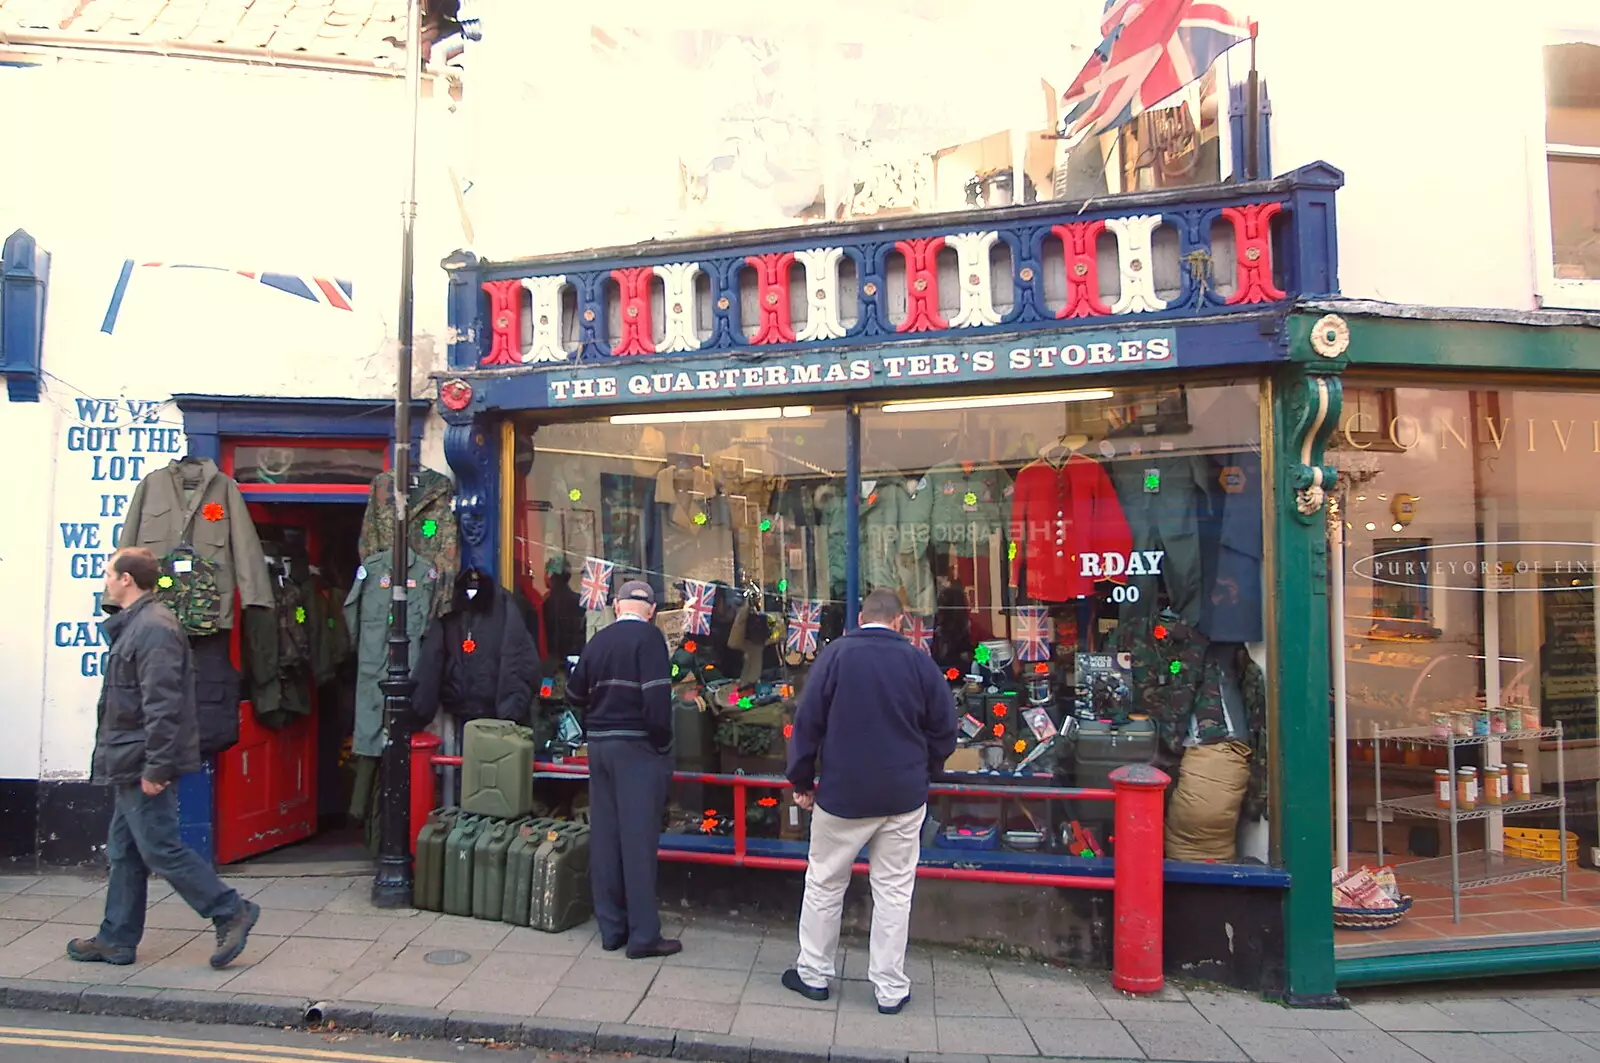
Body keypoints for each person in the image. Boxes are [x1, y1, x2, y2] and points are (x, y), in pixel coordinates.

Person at [68, 547, 261, 969]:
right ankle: (116, 939)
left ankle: (230, 909)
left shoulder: (153, 628)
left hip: (142, 760)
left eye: (109, 573)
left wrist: (157, 767)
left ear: (126, 580)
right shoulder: (139, 624)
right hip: (129, 757)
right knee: (125, 850)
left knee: (159, 848)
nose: (105, 580)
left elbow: (163, 704)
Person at [782, 588, 957, 1014]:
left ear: (862, 617)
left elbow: (807, 723)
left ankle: (814, 975)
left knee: (825, 883)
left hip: (844, 794)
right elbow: (945, 729)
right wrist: (925, 768)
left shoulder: (836, 656)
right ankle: (890, 988)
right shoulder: (918, 662)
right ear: (900, 621)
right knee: (894, 891)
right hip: (903, 795)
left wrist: (801, 780)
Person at [565, 579, 680, 959]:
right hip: (636, 748)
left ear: (617, 606)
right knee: (638, 841)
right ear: (650, 611)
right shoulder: (649, 640)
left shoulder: (597, 641)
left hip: (600, 746)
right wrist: (661, 745)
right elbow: (658, 704)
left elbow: (573, 694)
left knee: (607, 837)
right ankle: (644, 934)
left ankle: (611, 928)